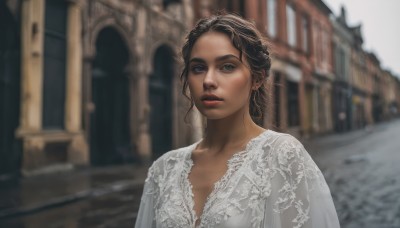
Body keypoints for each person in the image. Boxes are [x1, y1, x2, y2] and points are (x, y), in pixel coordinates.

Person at [135, 14, 340, 228]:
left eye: (227, 67)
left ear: (257, 79)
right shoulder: (163, 169)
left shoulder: (282, 156)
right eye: (198, 68)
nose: (208, 81)